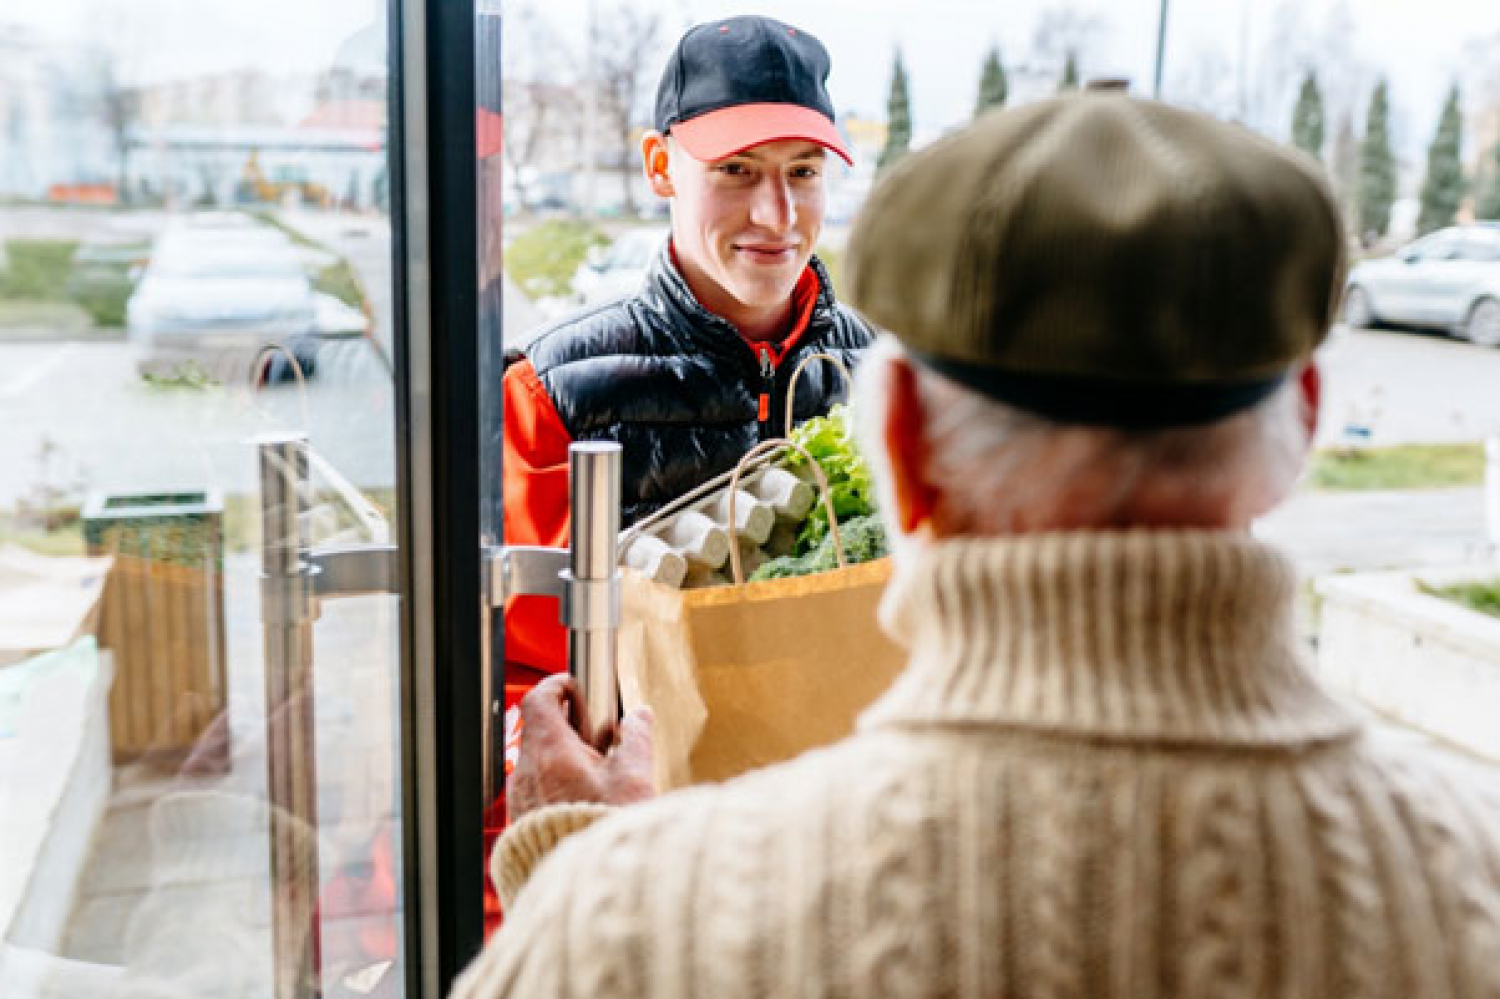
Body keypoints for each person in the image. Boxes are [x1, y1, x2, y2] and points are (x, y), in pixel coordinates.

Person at [456, 94, 1500, 997]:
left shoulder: (646, 919)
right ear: (1305, 421)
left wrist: (579, 875)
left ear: (899, 438)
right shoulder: (1466, 875)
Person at [502, 15, 872, 683]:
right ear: (660, 166)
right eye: (737, 169)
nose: (778, 214)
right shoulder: (548, 395)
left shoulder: (881, 373)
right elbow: (525, 680)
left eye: (803, 169)